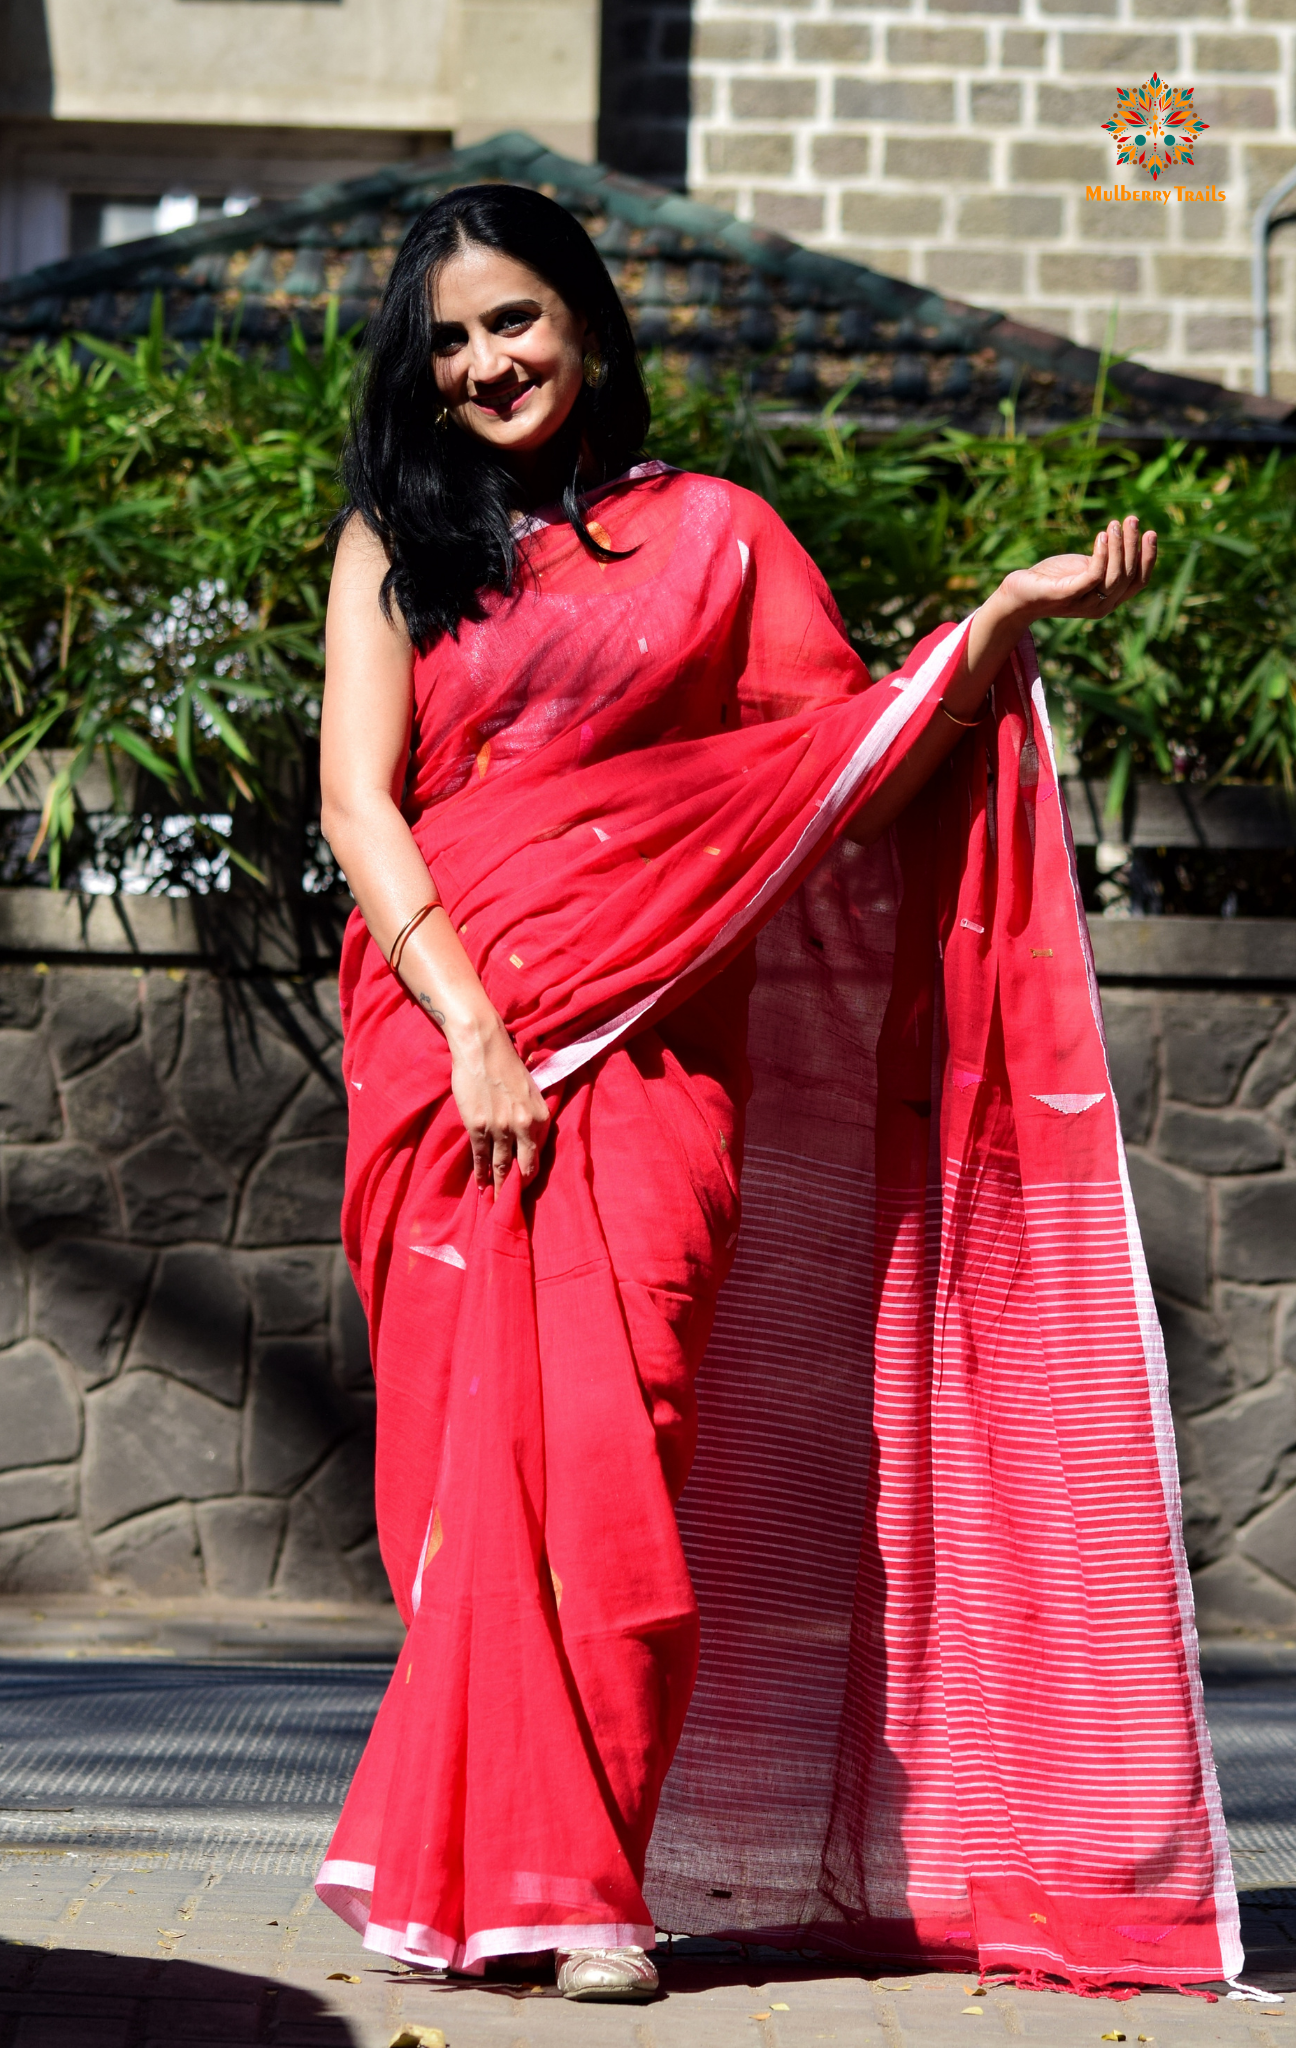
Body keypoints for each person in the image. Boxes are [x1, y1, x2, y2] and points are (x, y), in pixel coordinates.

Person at [313, 183, 1240, 2003]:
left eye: (517, 319)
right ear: (418, 373)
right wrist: (482, 1027)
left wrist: (992, 636)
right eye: (451, 339)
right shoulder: (391, 549)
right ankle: (501, 1882)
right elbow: (363, 802)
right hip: (445, 1057)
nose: (490, 361)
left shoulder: (721, 539)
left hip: (654, 1056)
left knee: (617, 1463)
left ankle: (579, 1885)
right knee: (463, 1477)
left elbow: (839, 768)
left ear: (585, 322)